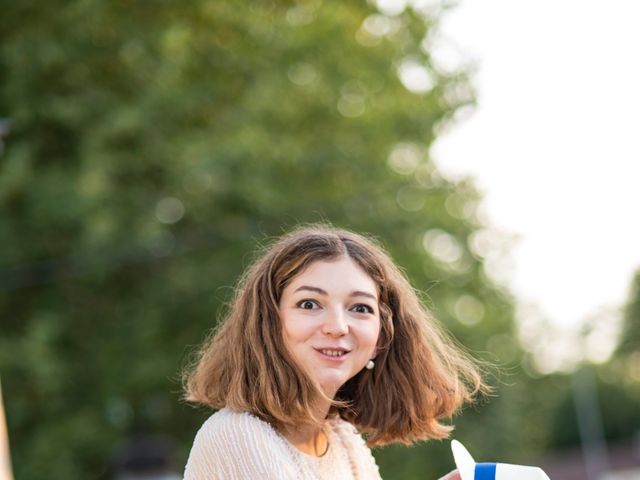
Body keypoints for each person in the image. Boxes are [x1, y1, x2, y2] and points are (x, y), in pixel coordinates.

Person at [182, 225, 485, 479]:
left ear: (382, 338)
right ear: (269, 322)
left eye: (360, 308)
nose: (338, 326)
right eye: (309, 304)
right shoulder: (236, 435)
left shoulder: (342, 439)